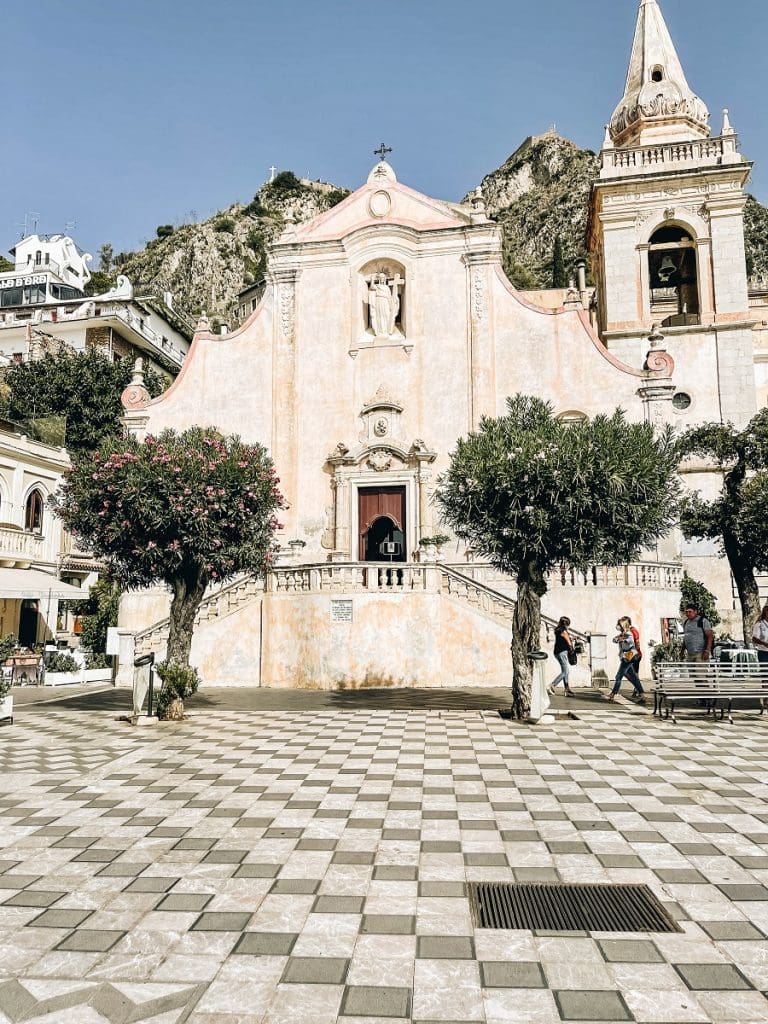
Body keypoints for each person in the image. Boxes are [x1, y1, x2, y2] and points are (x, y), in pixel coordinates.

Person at [606, 615, 645, 703]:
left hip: (629, 655)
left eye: (619, 624)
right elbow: (614, 639)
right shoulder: (624, 633)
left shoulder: (629, 633)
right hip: (628, 655)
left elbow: (630, 641)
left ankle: (613, 694)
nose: (617, 626)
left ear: (624, 625)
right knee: (633, 677)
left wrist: (621, 639)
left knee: (618, 676)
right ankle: (642, 694)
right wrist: (619, 638)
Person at [548, 616, 574, 696]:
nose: (568, 626)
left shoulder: (558, 630)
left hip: (557, 652)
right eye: (568, 624)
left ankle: (567, 689)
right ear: (565, 624)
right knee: (565, 671)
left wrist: (571, 639)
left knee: (565, 671)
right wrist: (572, 650)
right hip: (562, 652)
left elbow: (562, 640)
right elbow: (568, 643)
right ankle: (552, 685)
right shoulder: (564, 631)